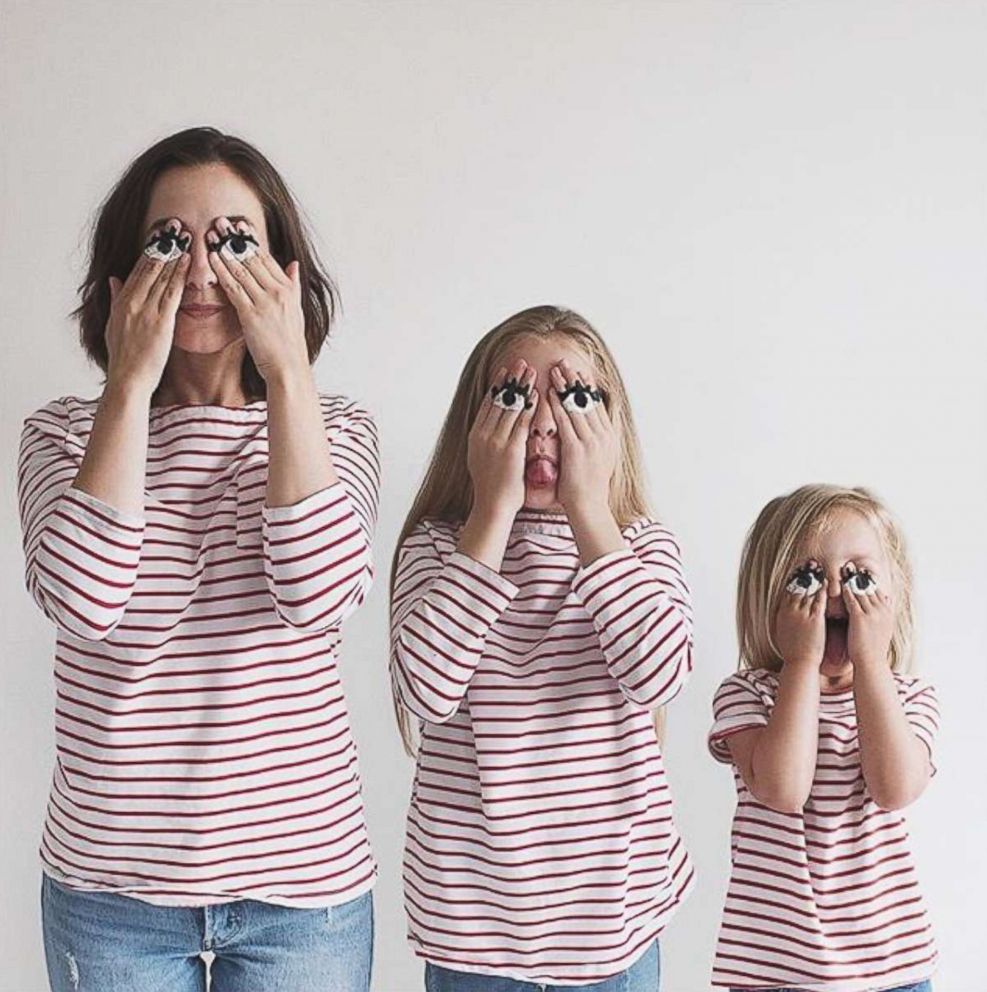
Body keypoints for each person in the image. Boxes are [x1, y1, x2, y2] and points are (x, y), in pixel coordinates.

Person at [17, 127, 378, 992]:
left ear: (286, 275)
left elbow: (318, 596)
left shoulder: (338, 431)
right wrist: (129, 384)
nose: (203, 274)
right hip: (110, 888)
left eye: (234, 242)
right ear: (121, 275)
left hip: (302, 888)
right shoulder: (61, 432)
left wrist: (288, 376)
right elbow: (85, 603)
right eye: (169, 242)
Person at [390, 305, 694, 990]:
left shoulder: (640, 547)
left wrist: (590, 512)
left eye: (577, 399)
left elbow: (660, 677)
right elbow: (426, 692)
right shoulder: (439, 549)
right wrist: (491, 511)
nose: (542, 426)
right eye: (513, 399)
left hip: (614, 915)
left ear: (611, 427)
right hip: (472, 923)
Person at [708, 485, 938, 992]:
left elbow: (895, 788)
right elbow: (782, 789)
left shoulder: (910, 698)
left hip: (890, 969)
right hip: (773, 971)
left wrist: (873, 662)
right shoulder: (748, 695)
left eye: (860, 576)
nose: (835, 591)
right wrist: (801, 663)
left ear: (892, 597)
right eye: (806, 577)